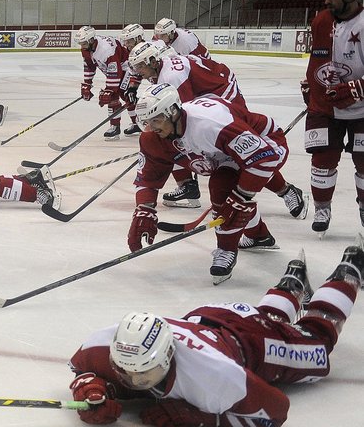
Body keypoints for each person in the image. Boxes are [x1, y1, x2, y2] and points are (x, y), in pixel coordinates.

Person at [68, 241, 363, 427]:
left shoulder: (214, 375)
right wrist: (90, 387)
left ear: (169, 357)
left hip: (255, 344)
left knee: (318, 337)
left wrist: (202, 417)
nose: (132, 383)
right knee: (270, 319)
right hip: (211, 318)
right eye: (123, 371)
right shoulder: (103, 345)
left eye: (144, 375)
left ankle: (350, 270)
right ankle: (291, 283)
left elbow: (275, 412)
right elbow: (85, 371)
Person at [130, 84, 292, 283]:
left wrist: (241, 197)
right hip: (223, 153)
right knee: (232, 195)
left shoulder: (209, 125)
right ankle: (259, 236)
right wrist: (144, 209)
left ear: (173, 112)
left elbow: (264, 157)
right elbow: (148, 177)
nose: (152, 127)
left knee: (224, 192)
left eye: (156, 120)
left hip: (267, 142)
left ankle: (226, 249)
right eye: (147, 121)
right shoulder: (153, 137)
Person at [130, 41, 307, 218]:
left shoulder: (171, 78)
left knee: (243, 158)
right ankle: (189, 186)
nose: (138, 72)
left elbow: (182, 115)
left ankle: (286, 191)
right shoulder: (163, 67)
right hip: (214, 96)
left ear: (152, 60)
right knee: (221, 159)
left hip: (221, 101)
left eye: (140, 66)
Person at [302, 0, 364, 234]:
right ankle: (322, 207)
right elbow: (318, 61)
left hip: (362, 111)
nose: (327, 1)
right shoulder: (321, 21)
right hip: (324, 109)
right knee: (322, 160)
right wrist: (312, 88)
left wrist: (353, 90)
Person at [75, 26, 128, 140]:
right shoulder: (86, 49)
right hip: (113, 69)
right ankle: (121, 125)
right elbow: (89, 66)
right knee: (119, 95)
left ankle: (119, 126)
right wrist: (87, 84)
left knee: (120, 95)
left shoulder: (106, 50)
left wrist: (110, 90)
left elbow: (115, 71)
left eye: (84, 43)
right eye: (81, 43)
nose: (82, 46)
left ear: (91, 40)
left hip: (126, 67)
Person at [116, 23, 147, 136]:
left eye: (129, 41)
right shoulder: (132, 54)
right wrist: (132, 89)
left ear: (138, 38)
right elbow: (135, 73)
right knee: (128, 94)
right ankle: (138, 124)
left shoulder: (150, 49)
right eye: (125, 41)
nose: (126, 44)